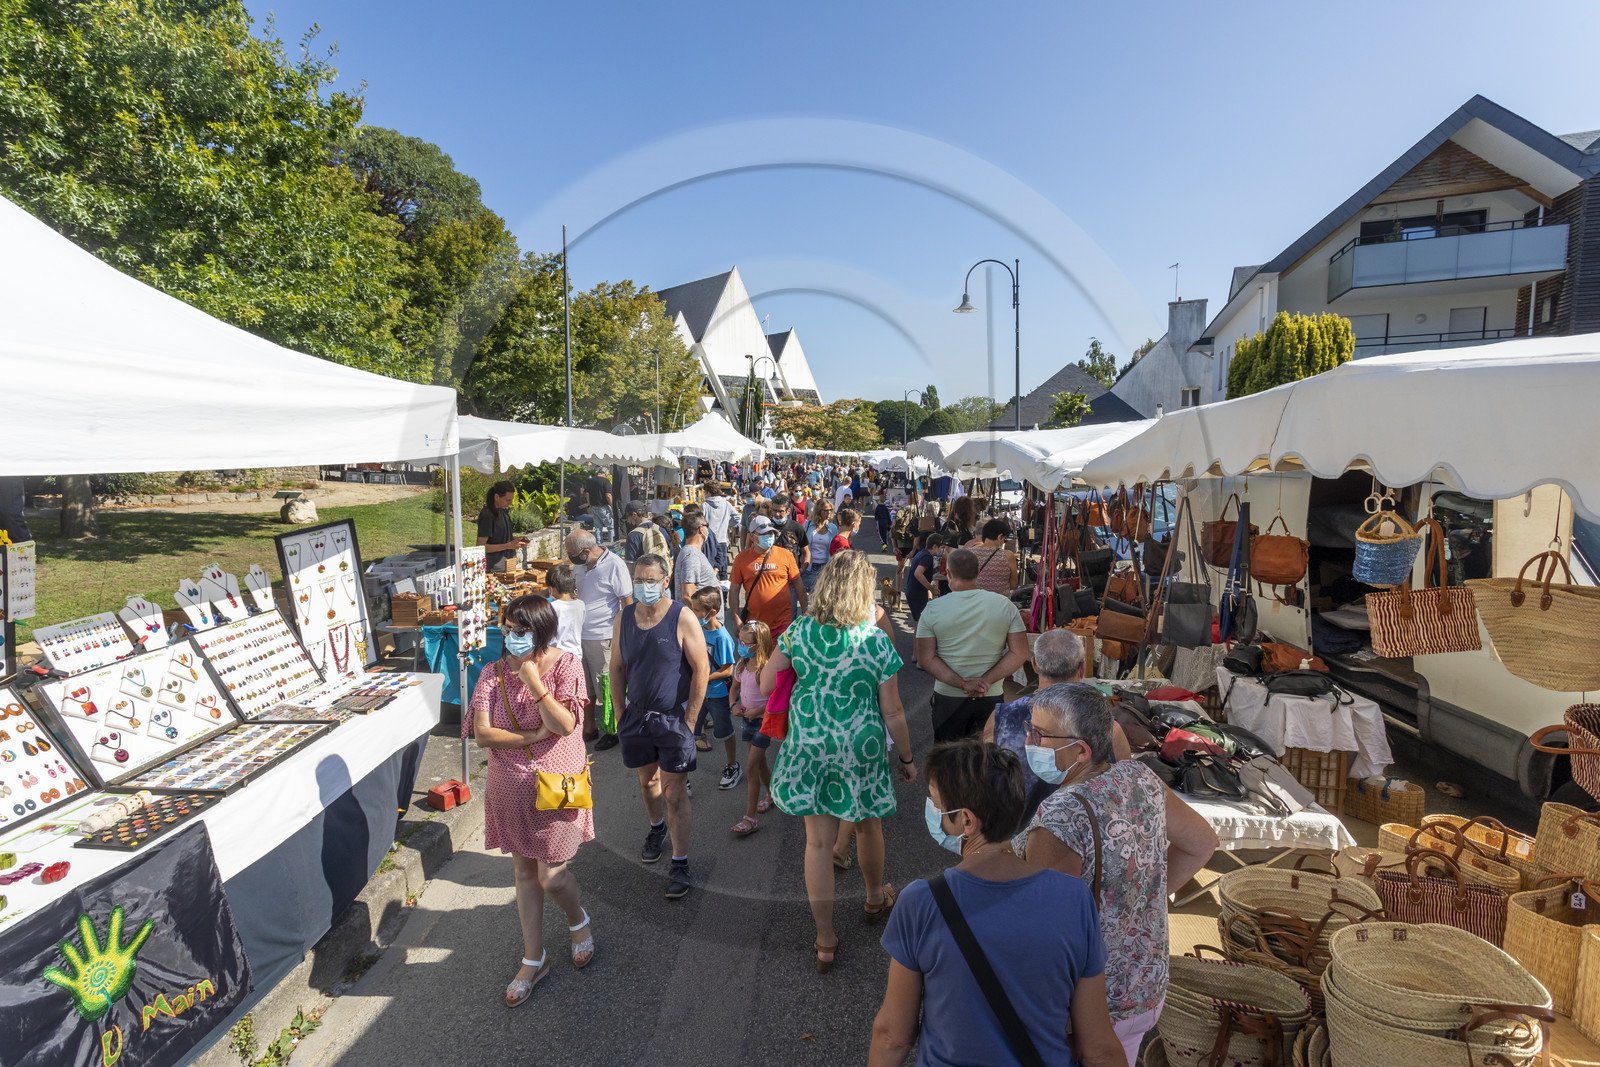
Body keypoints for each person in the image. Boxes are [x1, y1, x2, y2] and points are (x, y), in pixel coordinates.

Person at [869, 740, 1124, 1067]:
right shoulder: (1074, 899)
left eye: (936, 805)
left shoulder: (921, 902)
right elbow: (1099, 1049)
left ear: (966, 822)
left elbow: (892, 1036)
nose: (932, 813)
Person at [1016, 683, 1219, 1065]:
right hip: (1145, 988)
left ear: (1081, 749)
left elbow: (1042, 929)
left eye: (1039, 734)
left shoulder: (1059, 815)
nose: (1030, 741)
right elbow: (1202, 843)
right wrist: (1141, 904)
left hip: (1086, 1007)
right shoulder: (1139, 779)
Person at [765, 551, 916, 973]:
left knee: (816, 842)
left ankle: (826, 939)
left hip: (810, 741)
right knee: (868, 824)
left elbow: (765, 682)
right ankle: (872, 897)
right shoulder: (876, 641)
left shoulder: (798, 632)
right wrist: (906, 757)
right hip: (861, 745)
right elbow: (895, 711)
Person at [468, 595, 595, 1007]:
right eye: (507, 628)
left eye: (520, 631)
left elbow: (566, 724)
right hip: (509, 789)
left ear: (540, 632)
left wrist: (534, 684)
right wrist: (531, 738)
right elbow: (482, 734)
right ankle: (533, 958)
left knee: (552, 875)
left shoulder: (566, 665)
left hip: (556, 787)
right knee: (525, 872)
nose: (511, 637)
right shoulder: (490, 672)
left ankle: (578, 921)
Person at [610, 554, 709, 900]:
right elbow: (617, 669)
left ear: (665, 581)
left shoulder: (682, 617)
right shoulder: (623, 618)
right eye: (638, 580)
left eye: (650, 580)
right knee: (647, 781)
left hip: (673, 719)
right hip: (637, 718)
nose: (643, 586)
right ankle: (657, 829)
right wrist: (621, 714)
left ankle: (680, 862)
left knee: (674, 792)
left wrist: (691, 721)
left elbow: (702, 669)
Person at [980, 627, 1130, 820]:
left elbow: (984, 788)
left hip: (1012, 843)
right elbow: (1124, 790)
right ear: (1082, 668)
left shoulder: (1001, 719)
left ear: (1034, 665)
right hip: (1083, 843)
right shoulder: (1109, 728)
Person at [916, 547, 1028, 742]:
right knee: (985, 760)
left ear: (948, 574)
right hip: (990, 695)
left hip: (949, 696)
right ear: (978, 572)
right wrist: (986, 680)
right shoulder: (1004, 605)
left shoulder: (932, 609)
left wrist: (963, 683)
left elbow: (926, 658)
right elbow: (1020, 652)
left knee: (948, 760)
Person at [566, 530, 633, 750]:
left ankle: (612, 730)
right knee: (585, 686)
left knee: (606, 686)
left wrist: (625, 636)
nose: (570, 558)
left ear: (586, 551)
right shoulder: (580, 564)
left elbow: (627, 602)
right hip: (579, 636)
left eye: (572, 553)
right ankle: (589, 726)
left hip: (604, 636)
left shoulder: (614, 565)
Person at [689, 588, 741, 789]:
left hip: (718, 694)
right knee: (689, 730)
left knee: (724, 732)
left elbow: (728, 670)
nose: (692, 613)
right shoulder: (699, 630)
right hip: (699, 694)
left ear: (711, 612)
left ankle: (732, 766)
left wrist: (703, 678)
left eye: (696, 610)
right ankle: (682, 774)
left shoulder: (722, 637)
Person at [728, 618, 775, 836]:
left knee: (750, 768)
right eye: (740, 642)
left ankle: (750, 819)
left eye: (745, 644)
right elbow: (734, 689)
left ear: (759, 644)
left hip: (763, 723)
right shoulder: (742, 665)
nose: (741, 646)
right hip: (746, 721)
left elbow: (776, 701)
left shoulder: (765, 669)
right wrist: (732, 705)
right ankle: (771, 795)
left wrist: (759, 711)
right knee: (760, 764)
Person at [729, 516, 807, 636]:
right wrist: (736, 618)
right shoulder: (741, 559)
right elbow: (734, 590)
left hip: (783, 623)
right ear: (752, 536)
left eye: (771, 532)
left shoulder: (786, 555)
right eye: (764, 533)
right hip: (755, 625)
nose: (769, 536)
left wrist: (805, 611)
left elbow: (798, 584)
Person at [477, 481, 531, 573]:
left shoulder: (503, 511)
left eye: (511, 500)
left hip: (509, 565)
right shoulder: (487, 515)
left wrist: (516, 540)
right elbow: (480, 546)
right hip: (495, 570)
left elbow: (499, 538)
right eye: (508, 500)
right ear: (497, 497)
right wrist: (509, 545)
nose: (511, 503)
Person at [968, 517, 1020, 596]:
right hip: (1000, 603)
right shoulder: (1007, 555)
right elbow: (1014, 585)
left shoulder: (970, 552)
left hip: (976, 601)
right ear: (1000, 537)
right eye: (1004, 539)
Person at [544, 562, 586, 659]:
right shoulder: (581, 604)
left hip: (556, 656)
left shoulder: (551, 607)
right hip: (576, 656)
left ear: (551, 589)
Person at [672, 515, 718, 603]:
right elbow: (688, 595)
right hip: (702, 616)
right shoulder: (692, 555)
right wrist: (708, 616)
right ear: (701, 529)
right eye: (706, 525)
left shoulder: (692, 553)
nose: (707, 529)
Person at [904, 532, 943, 624]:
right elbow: (918, 573)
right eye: (941, 547)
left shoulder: (922, 553)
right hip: (917, 594)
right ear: (934, 547)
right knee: (922, 624)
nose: (942, 550)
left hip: (914, 592)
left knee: (919, 623)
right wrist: (931, 588)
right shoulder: (927, 557)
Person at [801, 499, 838, 593]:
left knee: (825, 596)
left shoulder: (833, 528)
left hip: (826, 566)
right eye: (825, 510)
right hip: (810, 566)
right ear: (818, 511)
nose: (828, 513)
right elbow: (800, 544)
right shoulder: (807, 525)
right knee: (812, 597)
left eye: (830, 510)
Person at [623, 500, 676, 566]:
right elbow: (671, 561)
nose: (628, 521)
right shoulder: (662, 530)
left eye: (627, 517)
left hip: (642, 575)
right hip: (662, 575)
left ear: (634, 515)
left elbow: (630, 566)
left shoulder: (633, 536)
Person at [701, 484, 735, 574]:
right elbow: (736, 517)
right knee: (722, 569)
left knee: (708, 568)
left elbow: (701, 521)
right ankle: (723, 586)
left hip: (708, 540)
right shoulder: (726, 504)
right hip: (722, 539)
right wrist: (727, 525)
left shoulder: (704, 505)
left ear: (708, 492)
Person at [585, 470, 614, 541]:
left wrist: (589, 504)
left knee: (598, 528)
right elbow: (608, 495)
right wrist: (612, 506)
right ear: (605, 474)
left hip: (594, 507)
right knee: (611, 527)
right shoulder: (606, 481)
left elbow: (587, 494)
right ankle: (611, 545)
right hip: (603, 507)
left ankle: (599, 544)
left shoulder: (590, 481)